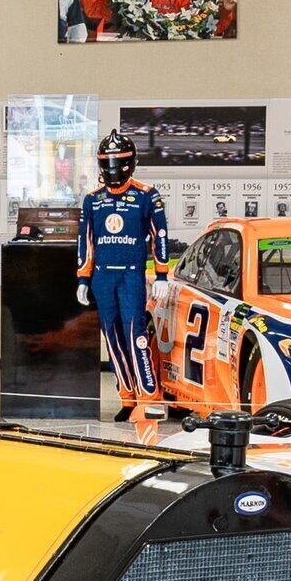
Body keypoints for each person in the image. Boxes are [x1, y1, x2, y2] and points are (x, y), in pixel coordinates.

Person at [76, 133, 171, 424]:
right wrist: (83, 278)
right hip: (103, 277)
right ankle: (127, 397)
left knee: (135, 335)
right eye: (107, 163)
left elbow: (160, 235)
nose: (113, 168)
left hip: (131, 276)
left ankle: (149, 397)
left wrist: (162, 274)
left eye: (118, 162)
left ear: (130, 163)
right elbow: (85, 241)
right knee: (113, 338)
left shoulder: (147, 195)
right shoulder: (92, 199)